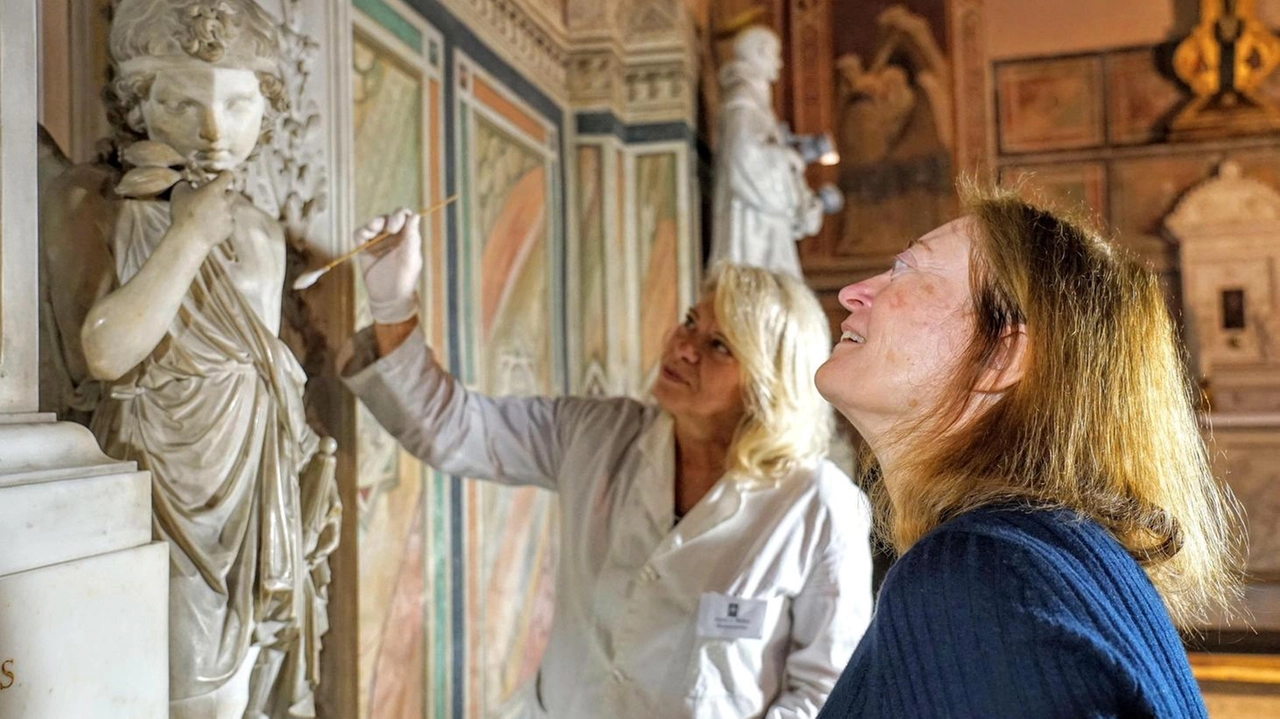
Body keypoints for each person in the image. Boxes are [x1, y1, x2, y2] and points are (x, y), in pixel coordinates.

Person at [340, 208, 874, 718]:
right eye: (690, 322)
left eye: (717, 345)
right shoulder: (599, 436)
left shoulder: (819, 505)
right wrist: (394, 304)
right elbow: (453, 430)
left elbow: (827, 687)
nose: (683, 346)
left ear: (767, 385)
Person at [813, 186, 1245, 718]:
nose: (853, 292)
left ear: (1002, 354)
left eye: (907, 270)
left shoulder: (976, 573)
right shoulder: (1050, 549)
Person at [39, 1, 340, 716]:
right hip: (156, 488)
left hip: (248, 498)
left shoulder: (262, 234)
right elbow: (104, 351)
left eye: (237, 104)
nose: (213, 131)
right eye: (181, 101)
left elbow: (260, 374)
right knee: (179, 690)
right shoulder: (95, 204)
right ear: (139, 104)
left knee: (240, 690)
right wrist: (188, 238)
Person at [710, 26, 826, 279]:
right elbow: (743, 159)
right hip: (754, 227)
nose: (781, 63)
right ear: (760, 54)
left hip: (763, 221)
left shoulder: (755, 101)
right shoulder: (743, 101)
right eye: (775, 54)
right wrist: (787, 159)